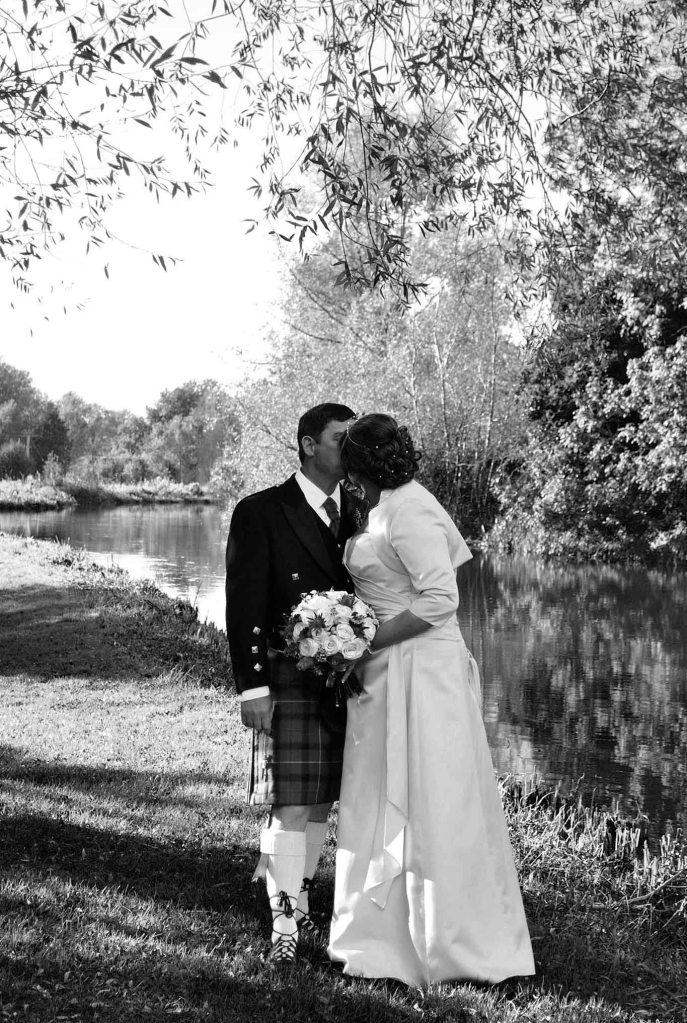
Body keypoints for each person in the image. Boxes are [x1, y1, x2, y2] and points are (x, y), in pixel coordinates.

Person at [328, 413, 535, 986]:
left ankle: (447, 942)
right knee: (379, 792)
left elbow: (441, 598)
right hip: (392, 672)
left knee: (433, 797)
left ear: (359, 464)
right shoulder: (389, 506)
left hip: (420, 673)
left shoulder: (411, 508)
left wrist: (364, 640)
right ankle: (382, 936)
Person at [225, 402, 359, 964]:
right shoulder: (261, 511)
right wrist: (252, 687)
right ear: (308, 445)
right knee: (290, 804)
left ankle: (300, 900)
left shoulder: (358, 509)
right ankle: (284, 922)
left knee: (323, 802)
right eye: (339, 439)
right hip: (286, 675)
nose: (349, 450)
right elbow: (244, 602)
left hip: (345, 678)